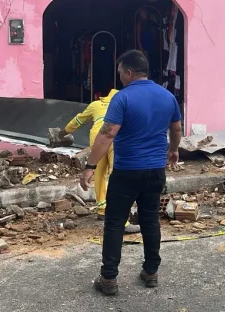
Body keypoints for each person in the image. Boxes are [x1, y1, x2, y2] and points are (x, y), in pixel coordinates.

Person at [80, 50, 182, 296]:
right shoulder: (168, 96)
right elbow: (176, 128)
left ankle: (109, 278)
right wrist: (174, 150)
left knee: (114, 223)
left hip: (127, 171)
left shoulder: (122, 98)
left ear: (128, 72)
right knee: (149, 220)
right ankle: (151, 272)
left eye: (120, 73)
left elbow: (106, 134)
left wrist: (90, 166)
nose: (119, 77)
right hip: (155, 171)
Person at [55, 89, 118, 219]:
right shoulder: (123, 104)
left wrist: (63, 133)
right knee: (116, 173)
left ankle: (102, 209)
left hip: (97, 138)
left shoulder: (95, 105)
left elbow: (78, 120)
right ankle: (117, 210)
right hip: (115, 138)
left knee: (99, 173)